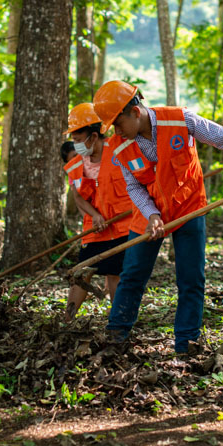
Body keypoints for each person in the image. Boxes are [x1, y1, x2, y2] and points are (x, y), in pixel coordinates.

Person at [91, 80, 223, 354]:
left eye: (117, 123)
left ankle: (186, 344)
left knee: (190, 278)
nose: (116, 131)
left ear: (135, 112)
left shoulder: (180, 120)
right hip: (147, 214)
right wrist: (151, 215)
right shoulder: (120, 145)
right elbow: (134, 186)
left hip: (189, 207)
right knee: (133, 274)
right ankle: (115, 336)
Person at [62, 103, 134, 320]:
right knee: (82, 271)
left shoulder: (121, 150)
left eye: (77, 139)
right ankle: (67, 318)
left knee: (115, 273)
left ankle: (118, 320)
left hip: (123, 226)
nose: (75, 144)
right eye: (73, 140)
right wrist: (94, 215)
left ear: (93, 136)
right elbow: (78, 197)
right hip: (94, 228)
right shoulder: (75, 166)